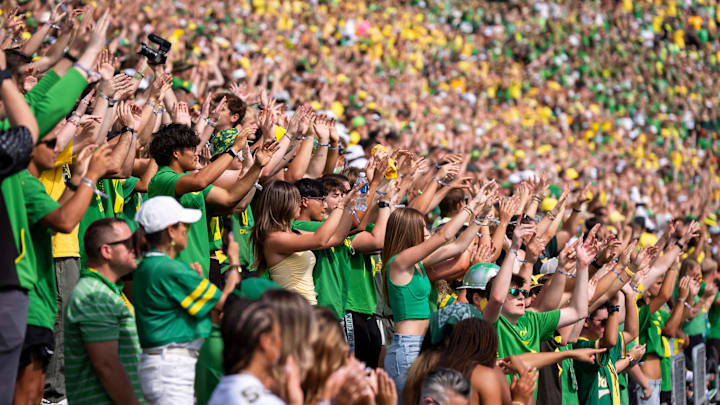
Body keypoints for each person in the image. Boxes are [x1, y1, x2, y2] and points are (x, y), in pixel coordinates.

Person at [382, 186, 492, 399]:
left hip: (422, 346)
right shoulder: (398, 263)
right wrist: (471, 206)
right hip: (408, 347)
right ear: (408, 232)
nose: (427, 233)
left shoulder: (418, 264)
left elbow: (459, 246)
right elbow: (443, 236)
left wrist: (480, 216)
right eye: (422, 229)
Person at [132, 196, 240, 405]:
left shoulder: (149, 265)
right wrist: (234, 262)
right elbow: (228, 303)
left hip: (162, 366)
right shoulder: (170, 269)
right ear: (170, 231)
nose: (187, 230)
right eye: (184, 225)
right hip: (171, 368)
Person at [147, 123, 278, 277]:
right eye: (191, 149)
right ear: (176, 153)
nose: (196, 154)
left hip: (199, 271)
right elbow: (200, 181)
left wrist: (257, 166)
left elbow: (230, 199)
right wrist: (233, 149)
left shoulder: (190, 182)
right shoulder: (163, 178)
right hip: (173, 270)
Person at [64, 218, 143, 405]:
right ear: (106, 251)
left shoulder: (104, 291)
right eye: (129, 244)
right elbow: (106, 366)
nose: (135, 249)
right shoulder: (94, 295)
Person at [250, 180, 356, 304]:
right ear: (282, 204)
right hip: (292, 310)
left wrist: (350, 206)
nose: (300, 204)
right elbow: (320, 240)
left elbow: (337, 237)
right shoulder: (275, 238)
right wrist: (341, 205)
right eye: (296, 200)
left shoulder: (293, 233)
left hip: (305, 307)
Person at [208, 298, 295, 405]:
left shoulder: (224, 389)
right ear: (265, 341)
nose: (281, 344)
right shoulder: (264, 401)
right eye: (278, 337)